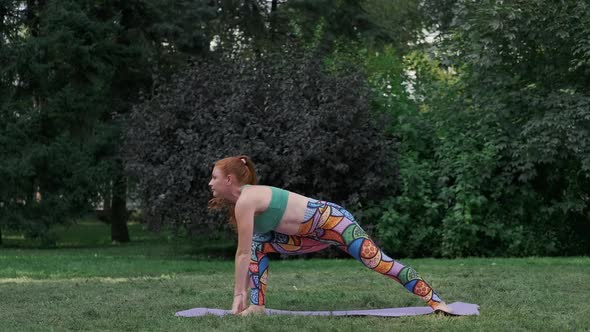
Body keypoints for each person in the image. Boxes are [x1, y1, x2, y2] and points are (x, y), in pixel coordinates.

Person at [208, 155, 452, 316]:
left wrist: (237, 294)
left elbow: (241, 253)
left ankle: (436, 301)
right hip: (310, 236)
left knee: (379, 263)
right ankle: (257, 307)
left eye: (214, 178)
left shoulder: (247, 200)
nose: (210, 183)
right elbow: (249, 251)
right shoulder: (245, 201)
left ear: (229, 179)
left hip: (335, 222)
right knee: (259, 246)